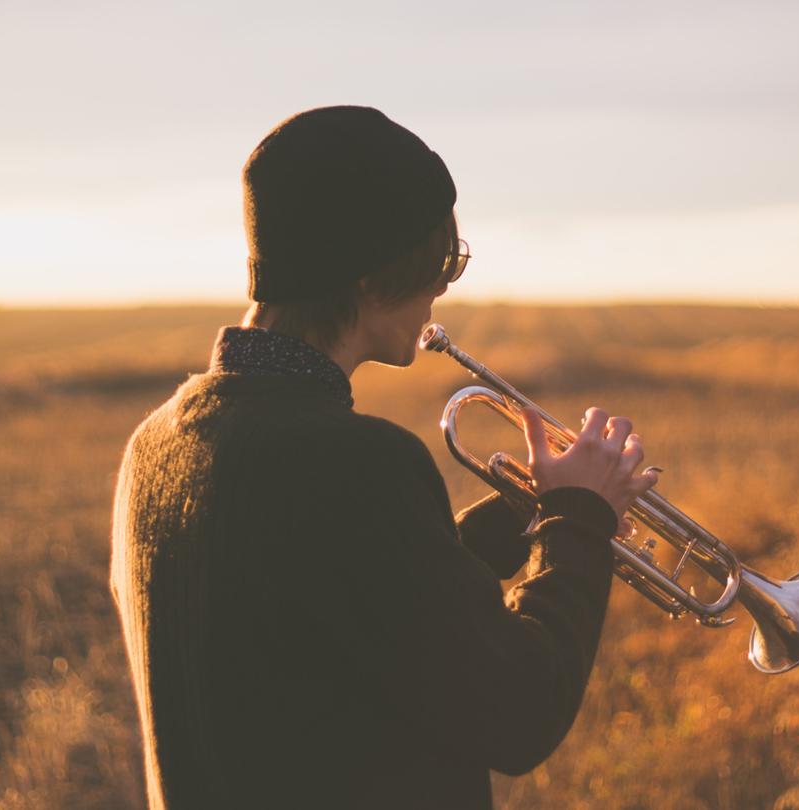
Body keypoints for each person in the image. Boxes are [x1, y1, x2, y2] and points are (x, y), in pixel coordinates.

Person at [110, 105, 659, 809]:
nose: (443, 288)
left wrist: (529, 515)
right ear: (370, 278)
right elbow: (523, 711)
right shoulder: (355, 464)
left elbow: (330, 602)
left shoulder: (156, 443)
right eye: (441, 263)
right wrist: (578, 523)